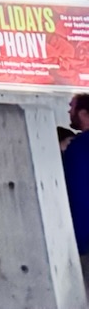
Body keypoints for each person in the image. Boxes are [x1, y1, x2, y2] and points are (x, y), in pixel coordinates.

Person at [66, 93, 89, 274]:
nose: (69, 112)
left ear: (83, 114)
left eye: (71, 108)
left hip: (83, 238)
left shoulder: (77, 148)